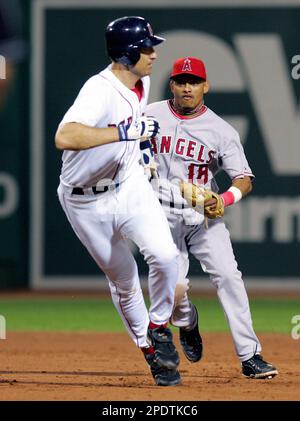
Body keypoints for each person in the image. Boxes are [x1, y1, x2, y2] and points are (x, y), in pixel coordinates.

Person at [55, 17, 181, 387]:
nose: (154, 53)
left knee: (165, 255)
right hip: (84, 202)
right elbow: (65, 136)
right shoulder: (99, 89)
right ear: (128, 53)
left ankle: (158, 326)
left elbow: (134, 129)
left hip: (128, 187)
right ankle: (151, 353)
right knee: (124, 280)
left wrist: (142, 152)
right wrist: (126, 133)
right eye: (147, 47)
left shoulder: (140, 82)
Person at [145, 56, 278, 379]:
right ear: (172, 84)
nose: (187, 87)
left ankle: (251, 356)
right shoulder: (149, 115)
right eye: (181, 81)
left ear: (206, 86)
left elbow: (244, 178)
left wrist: (224, 198)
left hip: (203, 218)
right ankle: (188, 321)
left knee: (229, 276)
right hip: (160, 216)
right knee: (174, 291)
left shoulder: (220, 130)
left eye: (193, 82)